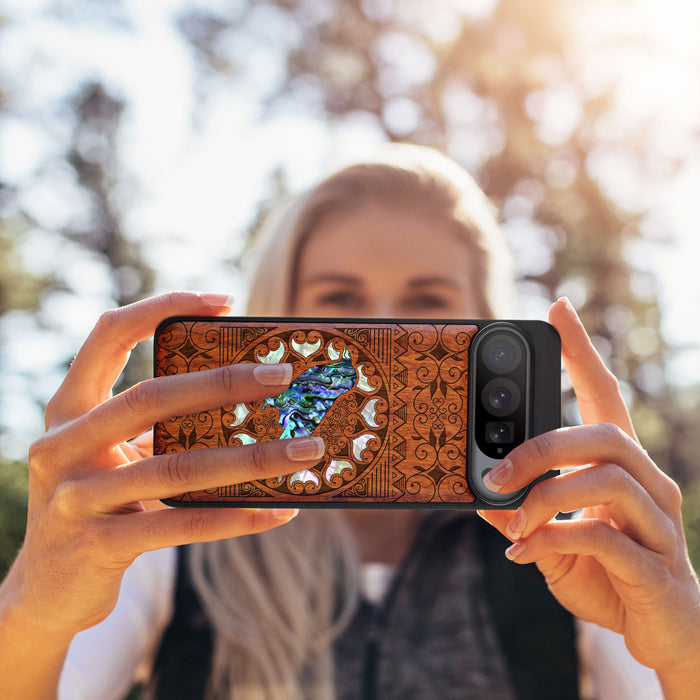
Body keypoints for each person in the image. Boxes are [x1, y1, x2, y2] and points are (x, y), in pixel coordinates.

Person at [0, 145, 698, 700]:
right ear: (280, 316)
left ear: (486, 324)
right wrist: (34, 607)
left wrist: (685, 648)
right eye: (340, 298)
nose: (383, 328)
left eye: (428, 302)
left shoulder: (567, 544)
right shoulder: (171, 535)